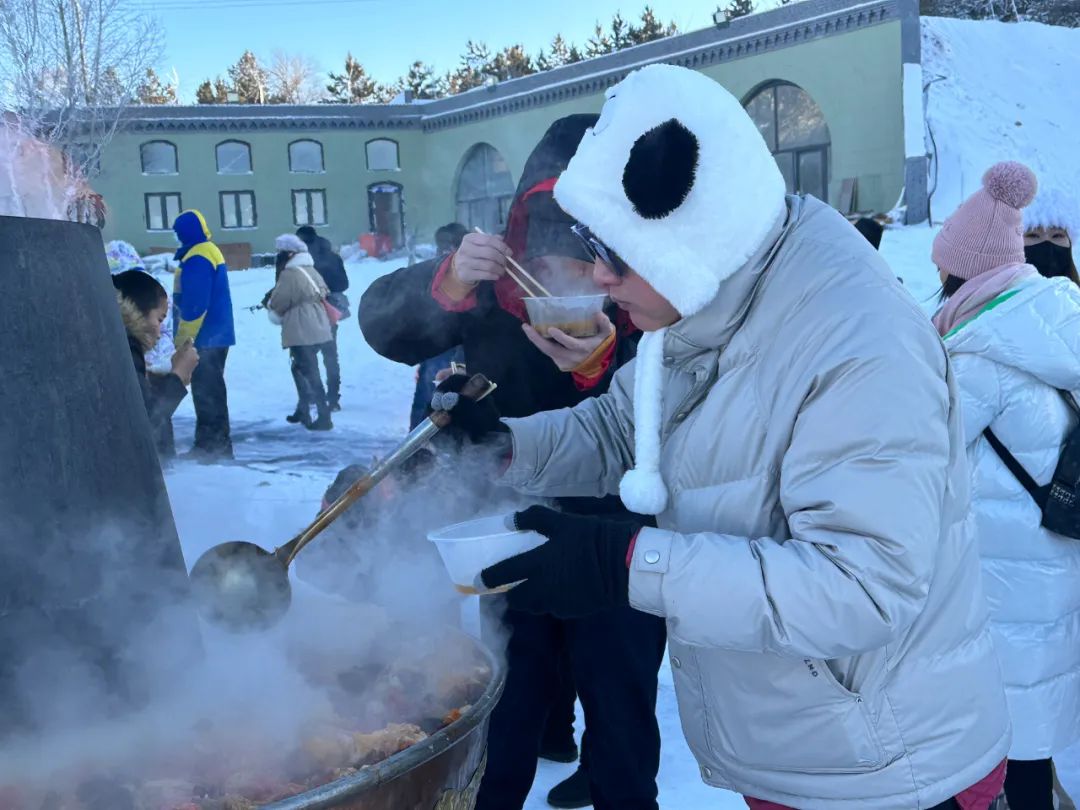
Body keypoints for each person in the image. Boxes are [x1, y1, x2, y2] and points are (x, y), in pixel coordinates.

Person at [440, 64, 1012, 810]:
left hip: (890, 771)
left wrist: (624, 565)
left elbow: (863, 589)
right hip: (801, 748)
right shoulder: (711, 294)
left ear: (690, 230)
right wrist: (505, 448)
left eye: (616, 255)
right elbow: (621, 426)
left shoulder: (860, 343)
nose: (600, 280)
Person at [360, 115, 666, 810]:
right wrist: (450, 277)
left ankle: (609, 777)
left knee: (621, 712)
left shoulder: (647, 305)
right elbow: (382, 321)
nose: (578, 270)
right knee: (509, 699)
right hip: (515, 527)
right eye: (552, 238)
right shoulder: (495, 303)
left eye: (593, 247)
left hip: (622, 539)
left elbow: (669, 420)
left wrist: (603, 367)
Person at [931, 162, 1080, 810]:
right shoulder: (1055, 322)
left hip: (1001, 583)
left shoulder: (978, 357)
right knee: (1037, 726)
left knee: (1010, 739)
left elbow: (921, 459)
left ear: (961, 274)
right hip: (1057, 564)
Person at [112, 270, 199, 459]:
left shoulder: (116, 342)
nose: (159, 333)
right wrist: (177, 377)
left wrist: (159, 381)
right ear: (136, 310)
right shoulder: (124, 347)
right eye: (159, 319)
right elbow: (146, 424)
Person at [172, 210, 235, 459]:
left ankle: (213, 447)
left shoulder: (199, 255)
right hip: (213, 334)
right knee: (210, 390)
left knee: (207, 392)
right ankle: (212, 444)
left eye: (180, 232)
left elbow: (196, 305)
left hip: (205, 336)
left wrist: (184, 339)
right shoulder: (203, 250)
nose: (177, 236)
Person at [269, 234, 334, 431]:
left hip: (301, 327)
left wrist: (272, 307)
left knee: (308, 371)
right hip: (318, 325)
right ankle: (304, 409)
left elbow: (279, 302)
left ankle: (323, 416)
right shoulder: (309, 269)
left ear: (289, 253)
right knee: (302, 368)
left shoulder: (289, 274)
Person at [408, 223, 468, 429]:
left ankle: (429, 444)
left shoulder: (470, 271)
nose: (441, 249)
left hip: (458, 347)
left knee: (447, 396)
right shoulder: (434, 270)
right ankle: (414, 448)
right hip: (437, 344)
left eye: (446, 244)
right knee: (428, 395)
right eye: (439, 245)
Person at [297, 225, 348, 411]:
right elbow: (344, 283)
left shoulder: (299, 260)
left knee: (306, 356)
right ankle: (333, 399)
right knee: (330, 356)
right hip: (329, 312)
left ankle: (311, 395)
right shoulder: (331, 256)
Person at [1024, 189, 1079, 284]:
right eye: (1033, 235)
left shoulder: (1076, 297)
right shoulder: (997, 296)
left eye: (1057, 235)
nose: (1047, 242)